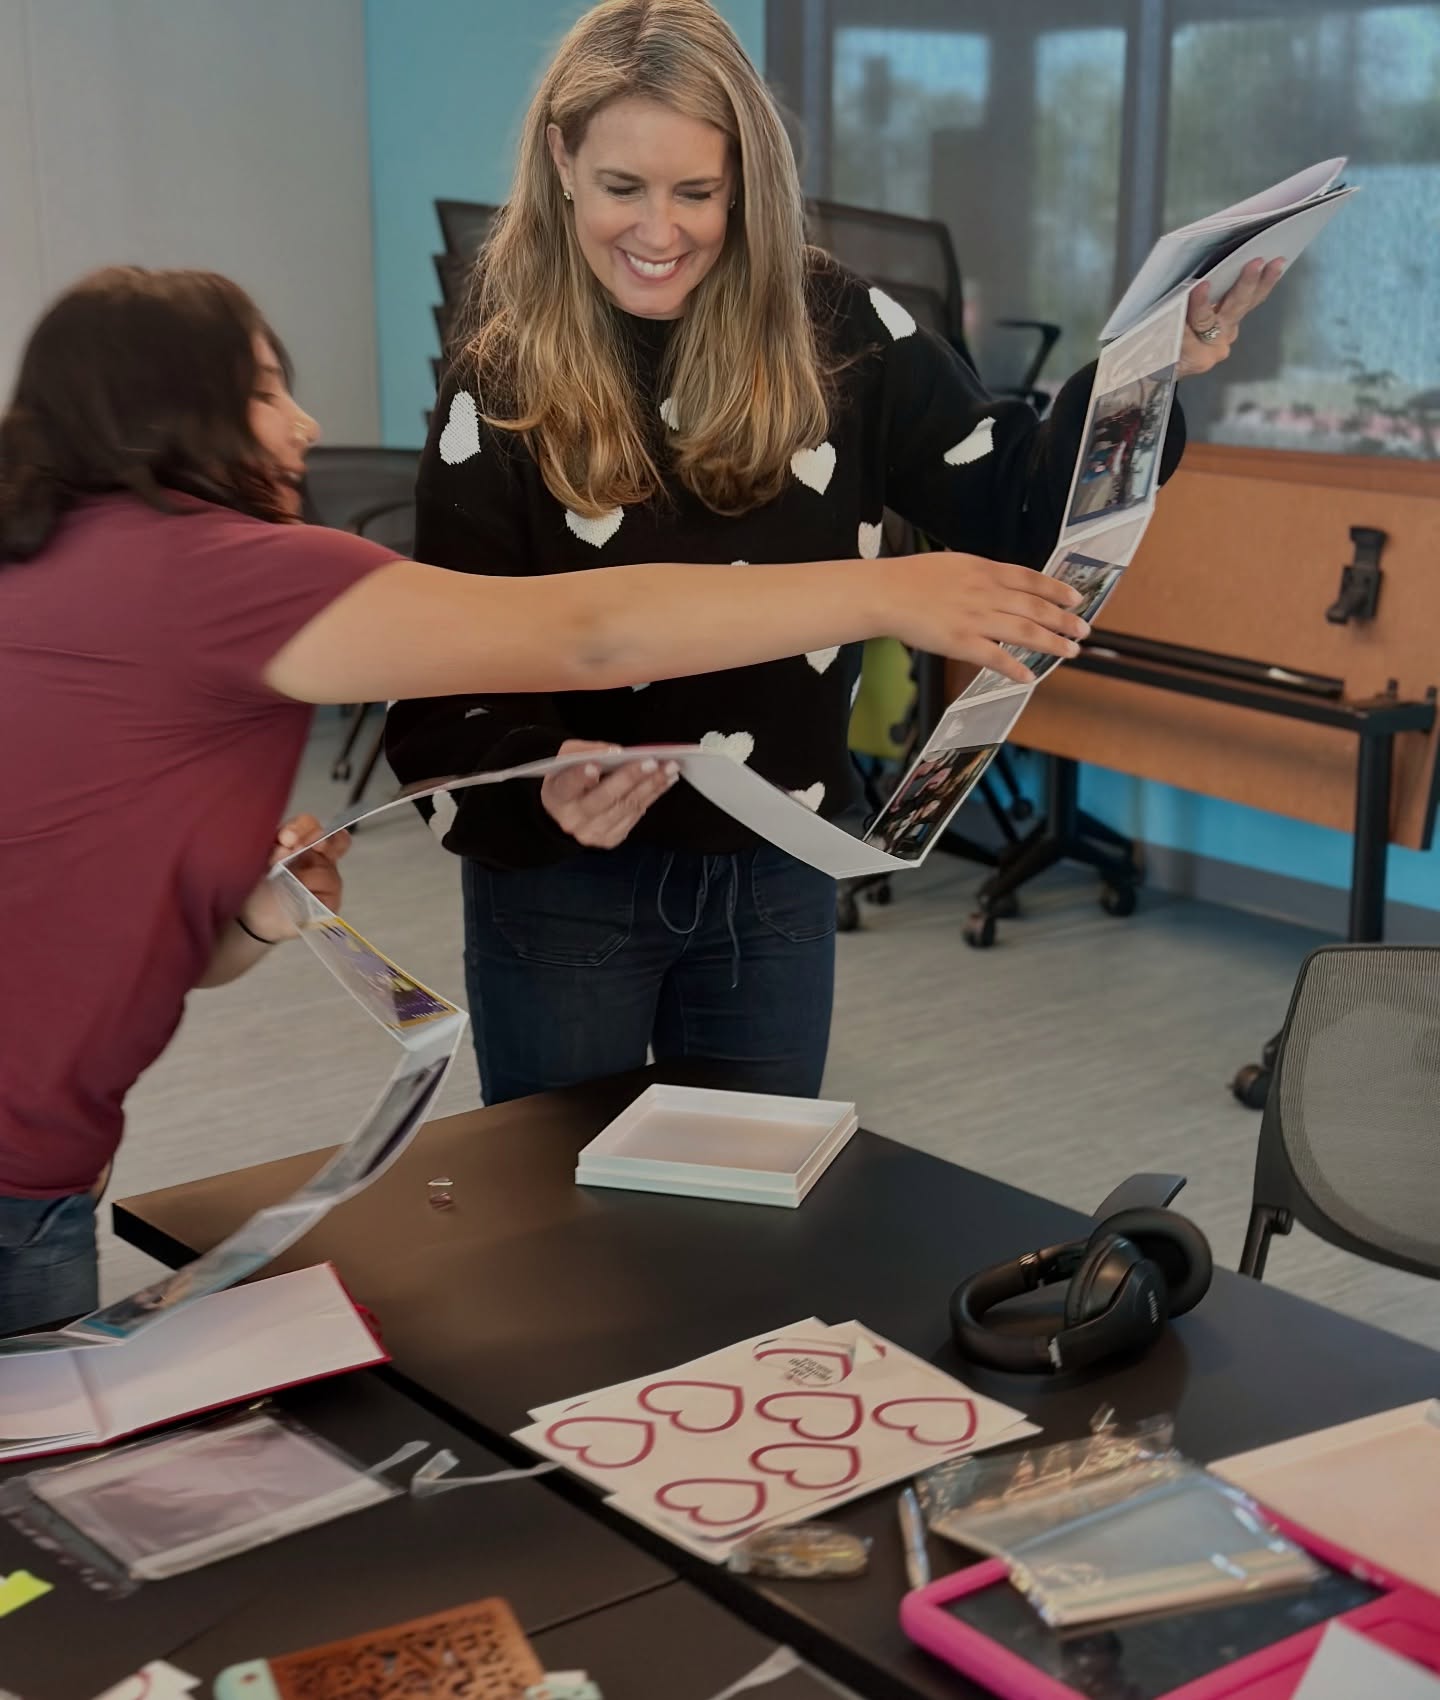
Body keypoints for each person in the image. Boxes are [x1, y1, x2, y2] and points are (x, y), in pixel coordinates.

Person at [0, 266, 1087, 1333]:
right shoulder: (220, 572)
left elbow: (95, 914)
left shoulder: (54, 560)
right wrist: (893, 589)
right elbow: (589, 629)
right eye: (264, 391)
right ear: (161, 414)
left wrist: (251, 916)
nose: (305, 423)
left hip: (45, 1163)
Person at [384, 0, 1280, 1107]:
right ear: (562, 160)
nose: (658, 231)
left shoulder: (841, 328)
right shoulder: (501, 383)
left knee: (753, 1224)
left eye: (697, 193)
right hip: (565, 894)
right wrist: (541, 784)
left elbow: (1021, 505)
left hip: (780, 878)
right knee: (560, 1223)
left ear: (744, 183)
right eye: (623, 187)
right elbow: (434, 709)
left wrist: (1154, 365)